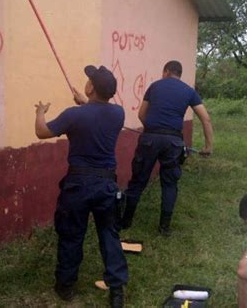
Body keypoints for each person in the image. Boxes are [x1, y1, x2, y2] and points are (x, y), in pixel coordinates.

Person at [35, 65, 128, 308]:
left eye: (89, 80)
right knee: (109, 234)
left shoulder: (73, 115)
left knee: (71, 234)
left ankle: (66, 286)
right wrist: (84, 104)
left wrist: (40, 112)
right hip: (106, 184)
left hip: (78, 185)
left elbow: (42, 132)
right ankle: (116, 289)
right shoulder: (118, 113)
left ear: (91, 88)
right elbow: (95, 115)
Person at [119, 60, 213, 236]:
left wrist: (151, 131)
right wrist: (208, 146)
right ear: (179, 74)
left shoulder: (154, 87)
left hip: (150, 139)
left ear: (166, 71)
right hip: (173, 142)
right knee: (169, 184)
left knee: (138, 180)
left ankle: (126, 221)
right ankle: (164, 228)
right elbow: (205, 118)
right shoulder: (189, 91)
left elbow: (141, 114)